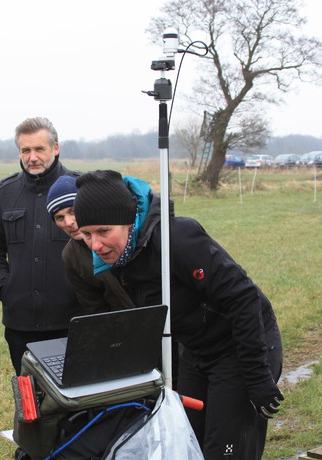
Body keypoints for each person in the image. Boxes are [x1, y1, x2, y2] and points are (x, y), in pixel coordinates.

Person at [72, 170, 284, 460]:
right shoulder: (122, 257)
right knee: (186, 443)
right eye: (86, 235)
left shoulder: (177, 239)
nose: (95, 245)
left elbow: (244, 299)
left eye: (104, 231)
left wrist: (257, 376)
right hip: (197, 352)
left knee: (225, 451)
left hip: (240, 347)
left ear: (129, 221)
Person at [0, 117, 80, 375]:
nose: (32, 157)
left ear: (55, 148)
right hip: (20, 322)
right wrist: (3, 285)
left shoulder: (79, 188)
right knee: (30, 401)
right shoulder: (6, 192)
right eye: (26, 150)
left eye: (39, 149)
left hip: (71, 320)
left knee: (75, 398)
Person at [46, 175, 134, 314]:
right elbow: (94, 309)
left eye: (72, 211)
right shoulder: (71, 257)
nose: (68, 222)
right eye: (60, 217)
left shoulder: (129, 233)